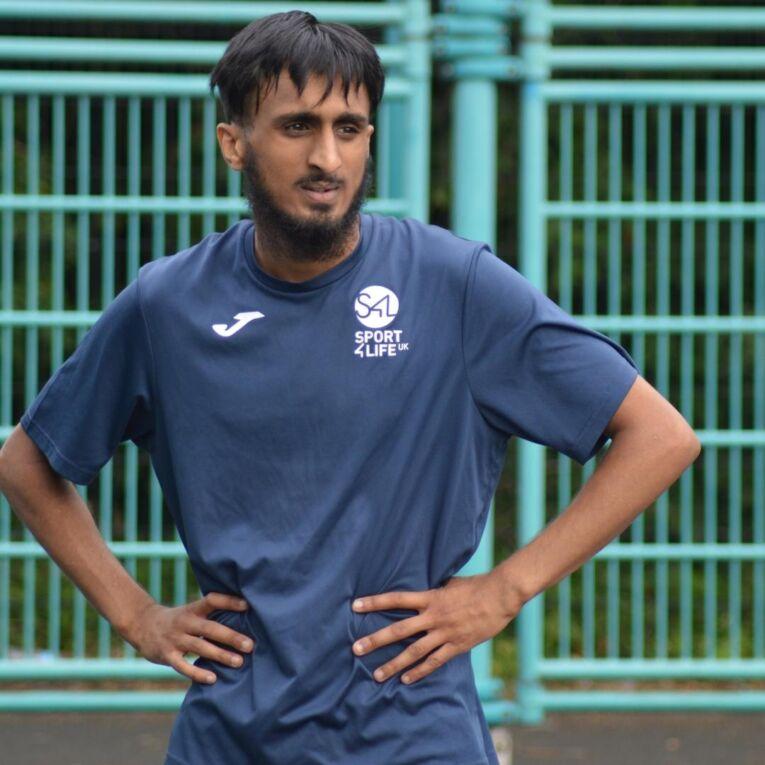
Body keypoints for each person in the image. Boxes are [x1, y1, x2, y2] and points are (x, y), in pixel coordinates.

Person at [0, 10, 701, 765]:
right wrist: (137, 615)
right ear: (233, 142)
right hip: (230, 734)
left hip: (413, 732)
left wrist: (502, 590)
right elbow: (28, 461)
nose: (326, 157)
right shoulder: (167, 304)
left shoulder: (452, 284)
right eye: (298, 126)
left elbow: (659, 436)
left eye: (349, 127)